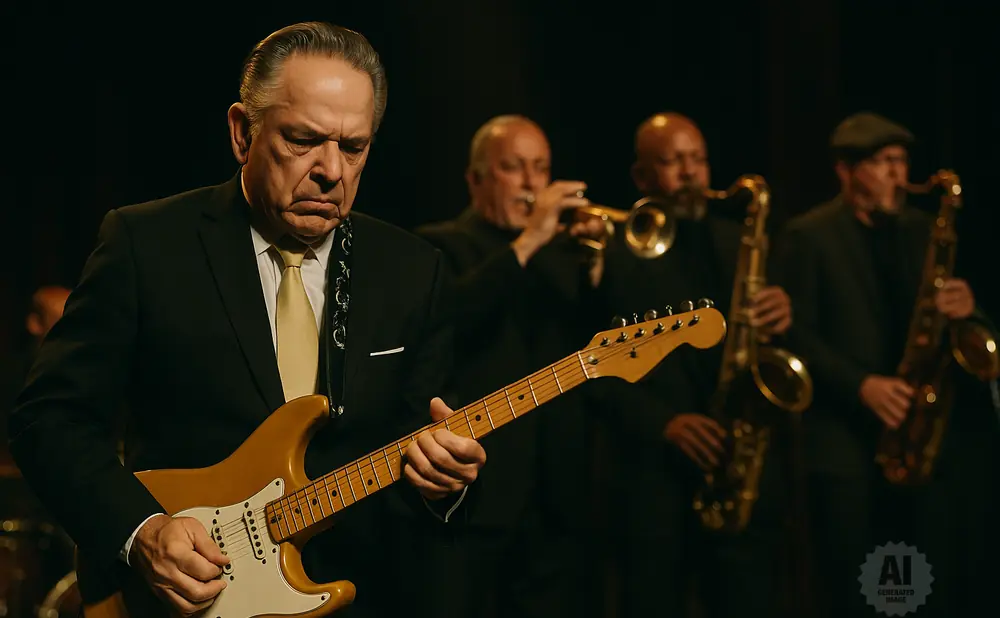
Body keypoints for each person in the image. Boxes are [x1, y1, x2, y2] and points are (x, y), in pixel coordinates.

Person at [7, 22, 485, 618]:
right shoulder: (146, 244)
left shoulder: (414, 269)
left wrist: (448, 483)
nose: (332, 170)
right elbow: (48, 420)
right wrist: (142, 532)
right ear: (242, 133)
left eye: (354, 146)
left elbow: (427, 446)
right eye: (303, 139)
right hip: (181, 598)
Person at [776, 111, 999, 618]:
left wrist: (969, 310)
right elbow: (794, 333)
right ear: (846, 171)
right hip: (844, 441)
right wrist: (861, 386)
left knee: (920, 586)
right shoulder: (809, 235)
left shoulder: (921, 231)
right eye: (882, 162)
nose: (899, 175)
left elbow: (950, 322)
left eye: (901, 161)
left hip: (917, 435)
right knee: (853, 587)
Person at [413, 115, 613, 618]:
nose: (531, 183)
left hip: (559, 496)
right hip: (481, 493)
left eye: (540, 168)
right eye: (513, 168)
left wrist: (596, 269)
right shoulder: (437, 246)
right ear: (476, 179)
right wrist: (527, 244)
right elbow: (449, 320)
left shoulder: (563, 255)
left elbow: (600, 352)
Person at [602, 111, 796, 618]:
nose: (690, 174)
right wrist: (664, 423)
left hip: (735, 461)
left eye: (698, 160)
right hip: (653, 475)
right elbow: (592, 370)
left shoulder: (738, 242)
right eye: (671, 162)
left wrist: (779, 317)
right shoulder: (617, 251)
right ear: (642, 178)